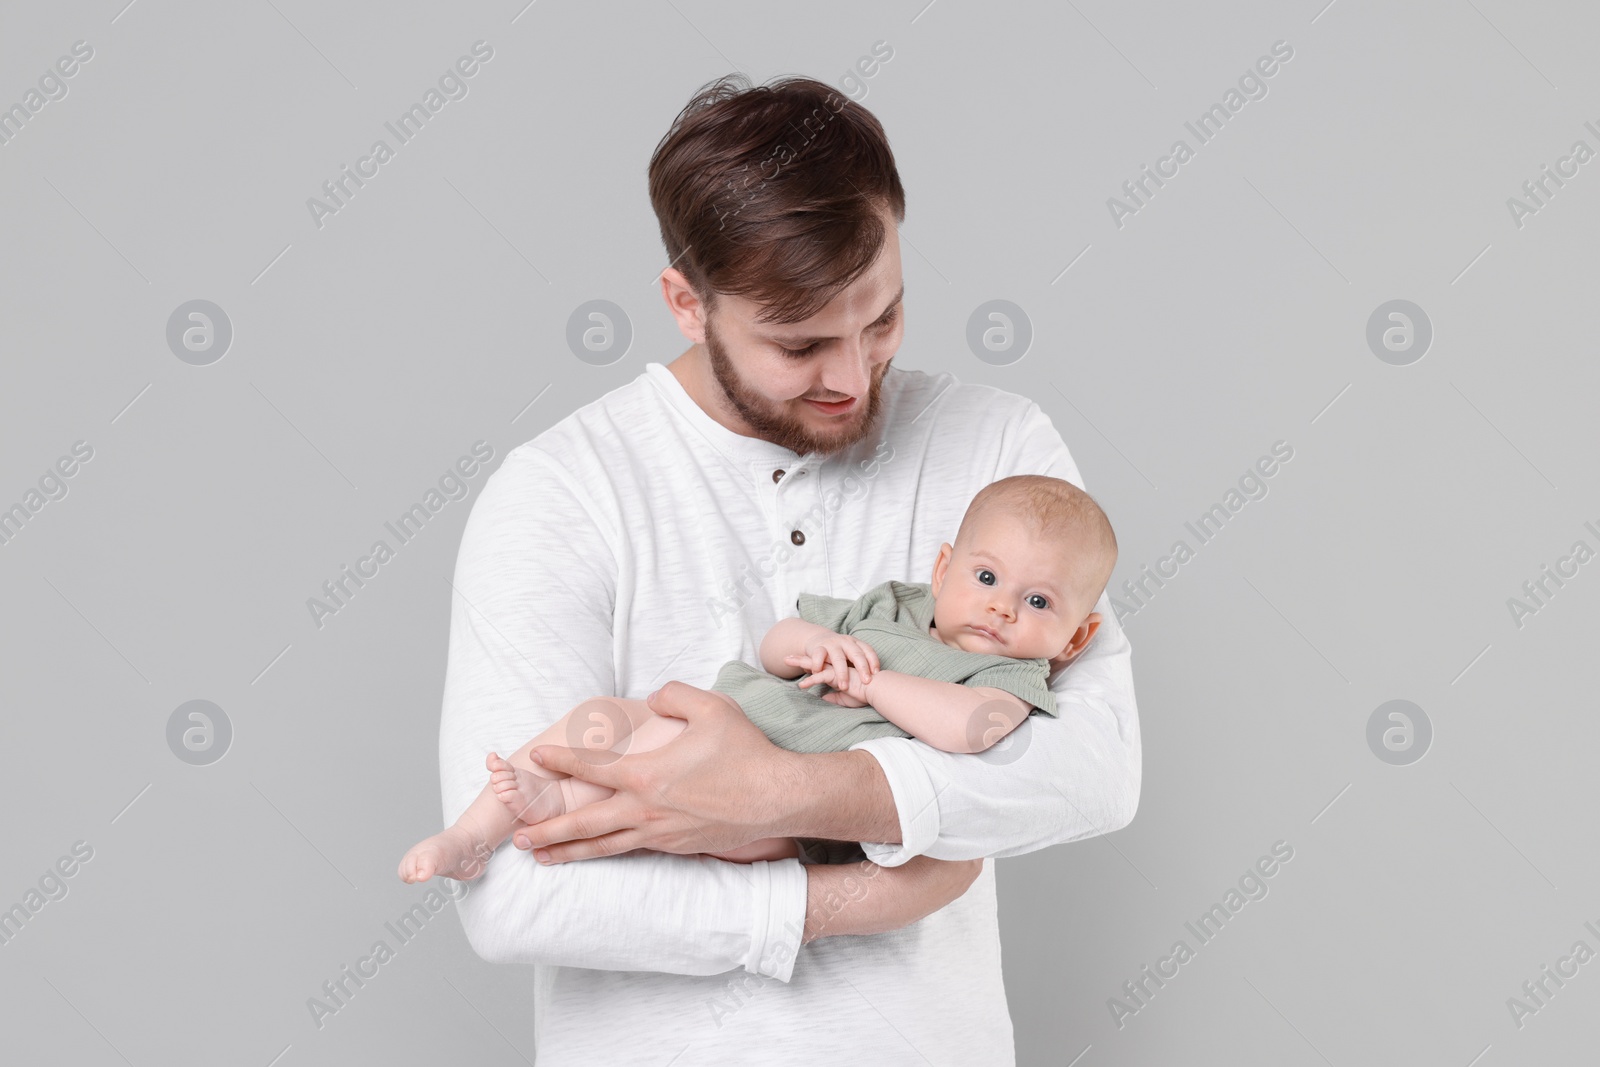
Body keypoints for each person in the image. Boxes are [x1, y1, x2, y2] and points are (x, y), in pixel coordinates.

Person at [433, 73, 1141, 1063]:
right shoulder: (559, 493)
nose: (852, 377)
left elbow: (1093, 769)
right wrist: (853, 894)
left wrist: (777, 794)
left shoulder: (998, 450)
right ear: (687, 302)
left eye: (882, 318)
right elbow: (516, 892)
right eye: (799, 343)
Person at [403, 474, 1116, 879]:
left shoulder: (1009, 674)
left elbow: (969, 728)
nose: (1000, 605)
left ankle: (553, 800)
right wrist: (814, 645)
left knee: (662, 788)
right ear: (943, 568)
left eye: (1038, 601)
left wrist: (871, 686)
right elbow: (775, 642)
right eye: (986, 576)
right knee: (604, 721)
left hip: (787, 813)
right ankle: (476, 832)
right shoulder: (893, 605)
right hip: (727, 715)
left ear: (1076, 637)